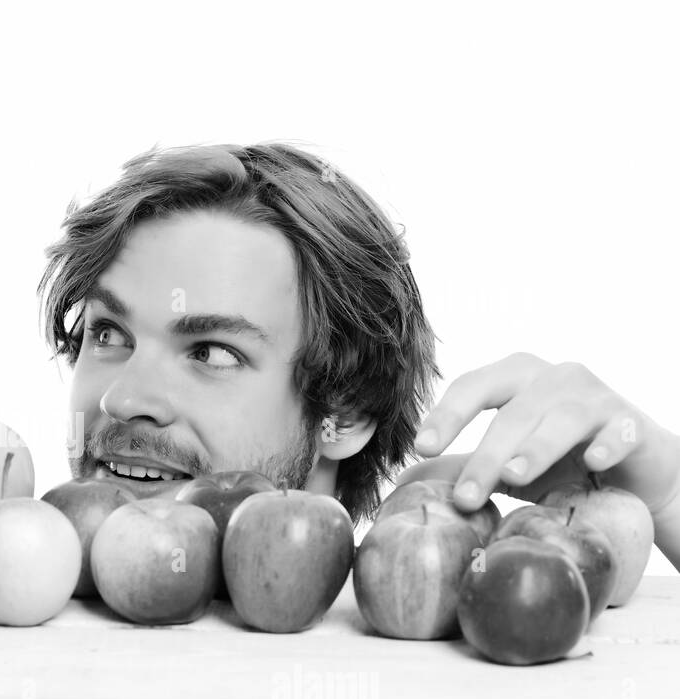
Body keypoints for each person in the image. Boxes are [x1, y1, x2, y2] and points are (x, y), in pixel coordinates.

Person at [38, 142, 680, 571]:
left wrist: (668, 499)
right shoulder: (5, 568)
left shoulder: (437, 611)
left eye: (209, 351)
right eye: (109, 335)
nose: (119, 398)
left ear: (342, 410)